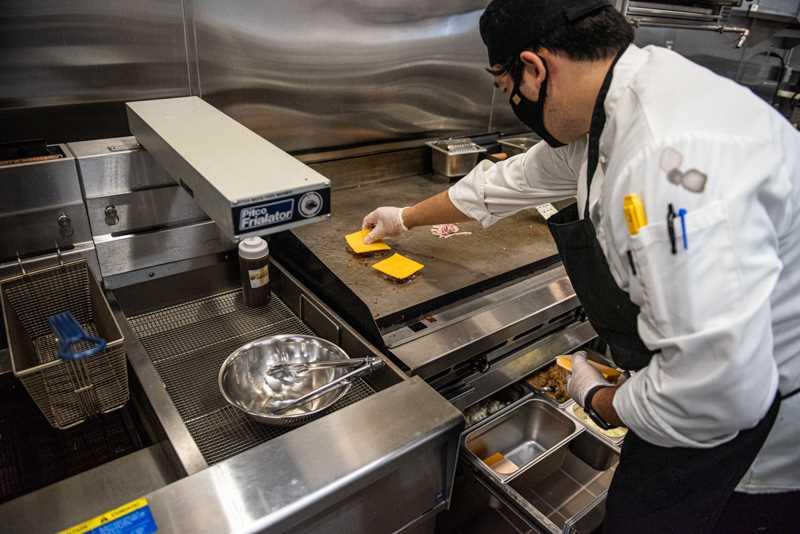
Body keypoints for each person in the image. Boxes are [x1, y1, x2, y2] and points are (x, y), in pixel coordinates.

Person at [361, 1, 800, 532]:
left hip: (744, 437)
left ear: (535, 68)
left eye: (507, 90)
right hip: (713, 385)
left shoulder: (663, 162)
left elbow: (719, 391)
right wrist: (404, 218)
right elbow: (511, 182)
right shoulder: (623, 97)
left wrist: (601, 398)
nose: (515, 103)